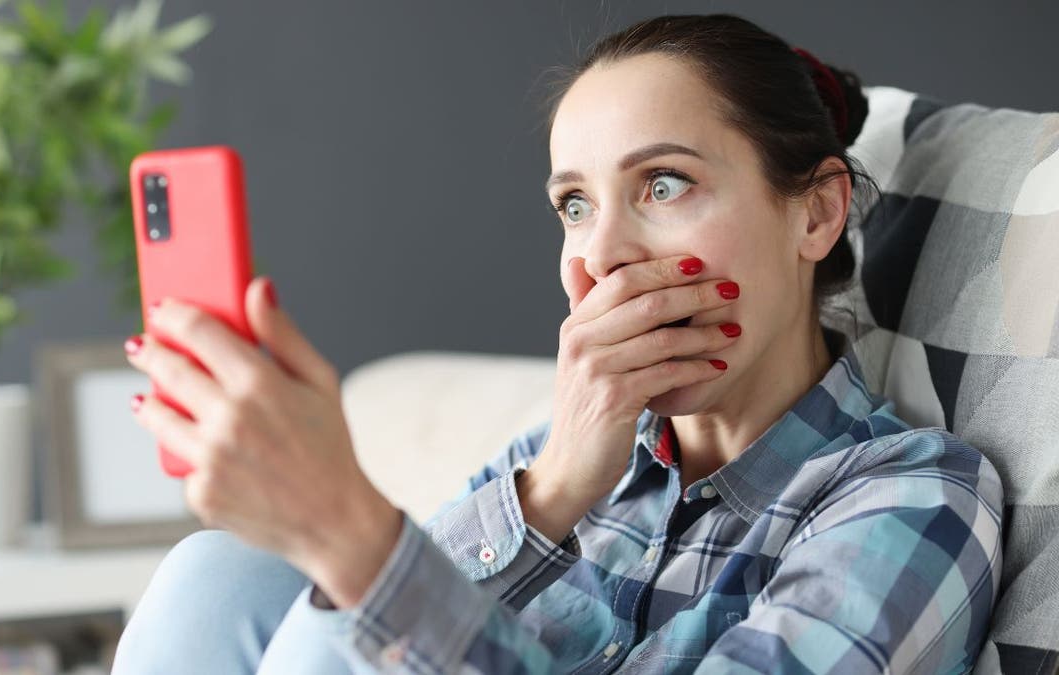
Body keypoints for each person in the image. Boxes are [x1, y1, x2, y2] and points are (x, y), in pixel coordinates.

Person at [111, 13, 1003, 674]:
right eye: (574, 205)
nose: (602, 253)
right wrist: (551, 488)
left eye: (662, 183)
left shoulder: (914, 496)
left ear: (816, 210)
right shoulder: (559, 454)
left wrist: (350, 535)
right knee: (219, 572)